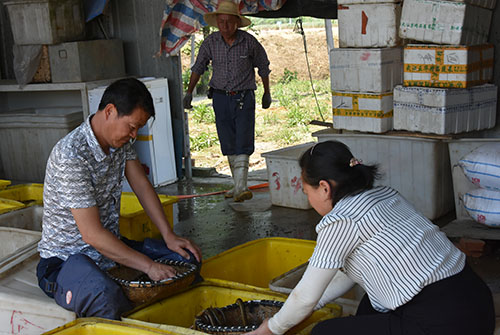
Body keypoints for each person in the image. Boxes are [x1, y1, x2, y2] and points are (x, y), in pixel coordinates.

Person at [249, 140, 495, 335]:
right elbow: (346, 274)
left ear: (324, 188)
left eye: (307, 192)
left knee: (325, 332)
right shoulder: (385, 196)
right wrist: (301, 308)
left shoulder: (340, 220)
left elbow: (305, 296)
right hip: (476, 303)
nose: (308, 200)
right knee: (369, 306)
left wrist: (270, 329)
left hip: (443, 324)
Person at [36, 78, 202, 320]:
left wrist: (169, 235)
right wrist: (148, 266)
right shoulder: (70, 155)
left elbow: (142, 186)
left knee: (187, 259)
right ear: (110, 111)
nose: (134, 135)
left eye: (138, 129)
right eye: (132, 127)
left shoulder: (120, 144)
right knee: (105, 297)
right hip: (64, 262)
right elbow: (91, 234)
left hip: (108, 252)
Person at [183, 0, 272, 202]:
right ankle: (238, 185)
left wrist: (267, 93)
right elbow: (198, 67)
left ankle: (241, 186)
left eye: (229, 22)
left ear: (237, 23)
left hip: (244, 97)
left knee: (243, 138)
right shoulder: (211, 43)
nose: (225, 26)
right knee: (228, 141)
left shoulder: (249, 42)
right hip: (220, 98)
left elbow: (263, 67)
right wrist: (188, 93)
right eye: (221, 22)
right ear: (217, 23)